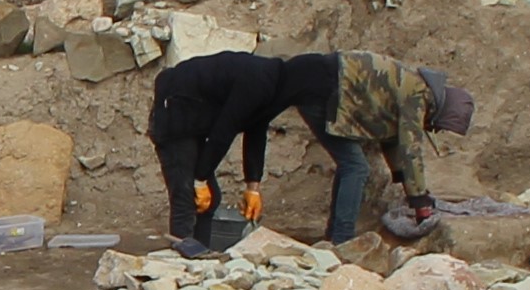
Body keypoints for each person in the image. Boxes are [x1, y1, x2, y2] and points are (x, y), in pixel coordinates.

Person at [147, 48, 476, 252]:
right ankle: (181, 265)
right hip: (176, 114)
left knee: (211, 200)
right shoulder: (258, 84)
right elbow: (227, 129)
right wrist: (201, 177)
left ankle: (202, 256)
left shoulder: (267, 89)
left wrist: (253, 186)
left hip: (203, 114)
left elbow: (254, 129)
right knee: (186, 194)